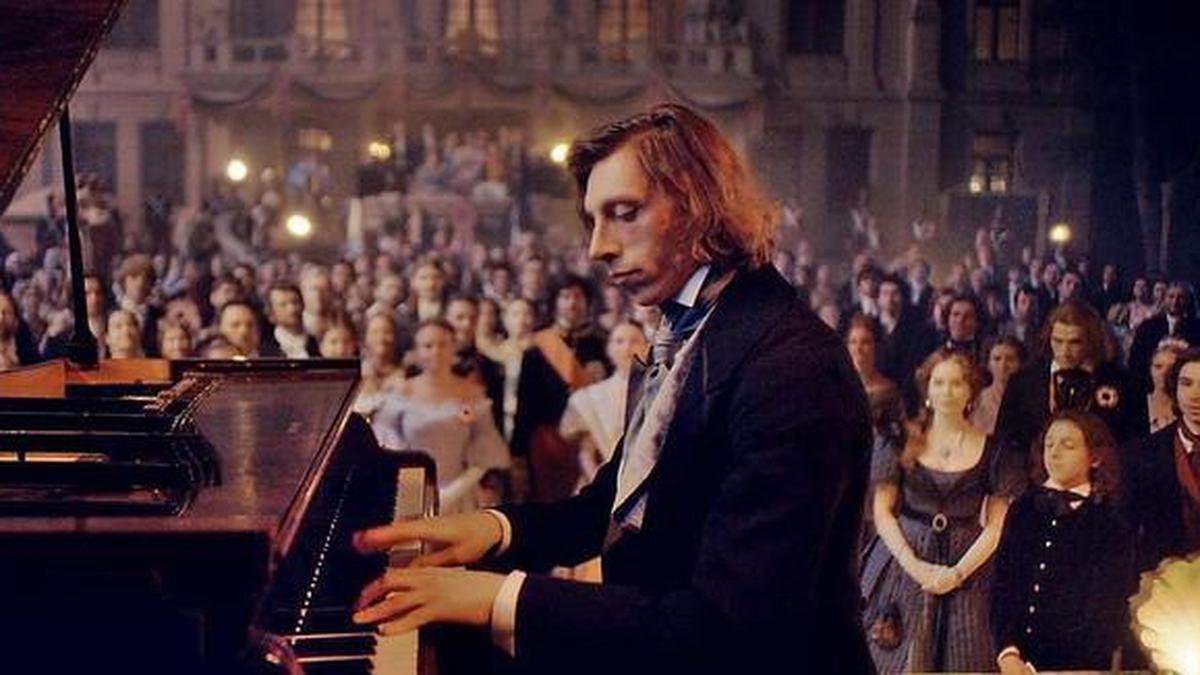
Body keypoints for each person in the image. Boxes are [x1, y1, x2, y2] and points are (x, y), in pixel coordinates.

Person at [349, 103, 874, 675]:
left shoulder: (791, 367)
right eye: (593, 221)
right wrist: (493, 530)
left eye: (623, 214)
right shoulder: (696, 330)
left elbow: (725, 627)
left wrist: (496, 598)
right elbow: (612, 507)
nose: (597, 247)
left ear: (697, 203)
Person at [862, 349, 1025, 673]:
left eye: (956, 383)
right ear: (927, 388)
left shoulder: (995, 451)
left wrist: (957, 573)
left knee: (966, 656)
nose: (946, 391)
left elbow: (997, 525)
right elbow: (882, 513)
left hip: (970, 567)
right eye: (938, 383)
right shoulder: (900, 441)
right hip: (904, 562)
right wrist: (916, 567)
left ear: (970, 391)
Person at [991, 410, 1133, 673]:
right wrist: (1008, 652)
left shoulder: (1109, 523)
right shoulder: (1023, 510)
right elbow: (1002, 586)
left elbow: (1106, 608)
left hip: (1078, 666)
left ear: (1095, 457)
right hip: (1014, 663)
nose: (1054, 453)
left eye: (1068, 445)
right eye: (1049, 444)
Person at [370, 320, 510, 514]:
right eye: (428, 346)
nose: (435, 352)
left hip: (461, 495)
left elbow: (485, 448)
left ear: (454, 348)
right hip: (411, 494)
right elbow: (387, 444)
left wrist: (453, 493)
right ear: (417, 352)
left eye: (442, 345)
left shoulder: (472, 393)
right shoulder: (402, 393)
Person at [996, 300, 1146, 455]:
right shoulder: (1023, 382)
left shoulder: (1121, 383)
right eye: (1058, 341)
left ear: (1091, 341)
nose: (1065, 352)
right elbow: (1004, 445)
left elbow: (1135, 445)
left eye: (1074, 343)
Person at [511, 275, 609, 501]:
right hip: (548, 445)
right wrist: (518, 455)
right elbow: (525, 406)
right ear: (555, 302)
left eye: (577, 296)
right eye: (565, 296)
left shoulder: (603, 345)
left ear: (587, 301)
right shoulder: (537, 349)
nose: (572, 303)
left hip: (594, 442)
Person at [1122, 348, 1200, 573]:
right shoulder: (1141, 454)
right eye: (1186, 384)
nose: (1195, 395)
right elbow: (1126, 531)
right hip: (1162, 579)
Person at [846, 314, 903, 438]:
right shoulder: (837, 389)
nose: (858, 349)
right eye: (853, 342)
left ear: (875, 347)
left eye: (865, 342)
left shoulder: (889, 392)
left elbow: (897, 435)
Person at [972, 336, 1026, 435]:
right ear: (988, 364)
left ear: (1020, 364)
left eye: (1010, 359)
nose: (1003, 365)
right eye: (997, 359)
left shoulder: (1028, 401)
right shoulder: (976, 399)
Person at [261, 282, 320, 358]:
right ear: (271, 313)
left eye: (295, 302)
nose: (292, 309)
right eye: (283, 305)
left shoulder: (317, 343)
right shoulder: (266, 350)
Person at [1147, 341, 1187, 433]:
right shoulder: (1133, 405)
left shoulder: (1189, 409)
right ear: (1150, 369)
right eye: (1158, 366)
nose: (1163, 374)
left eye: (1171, 368)